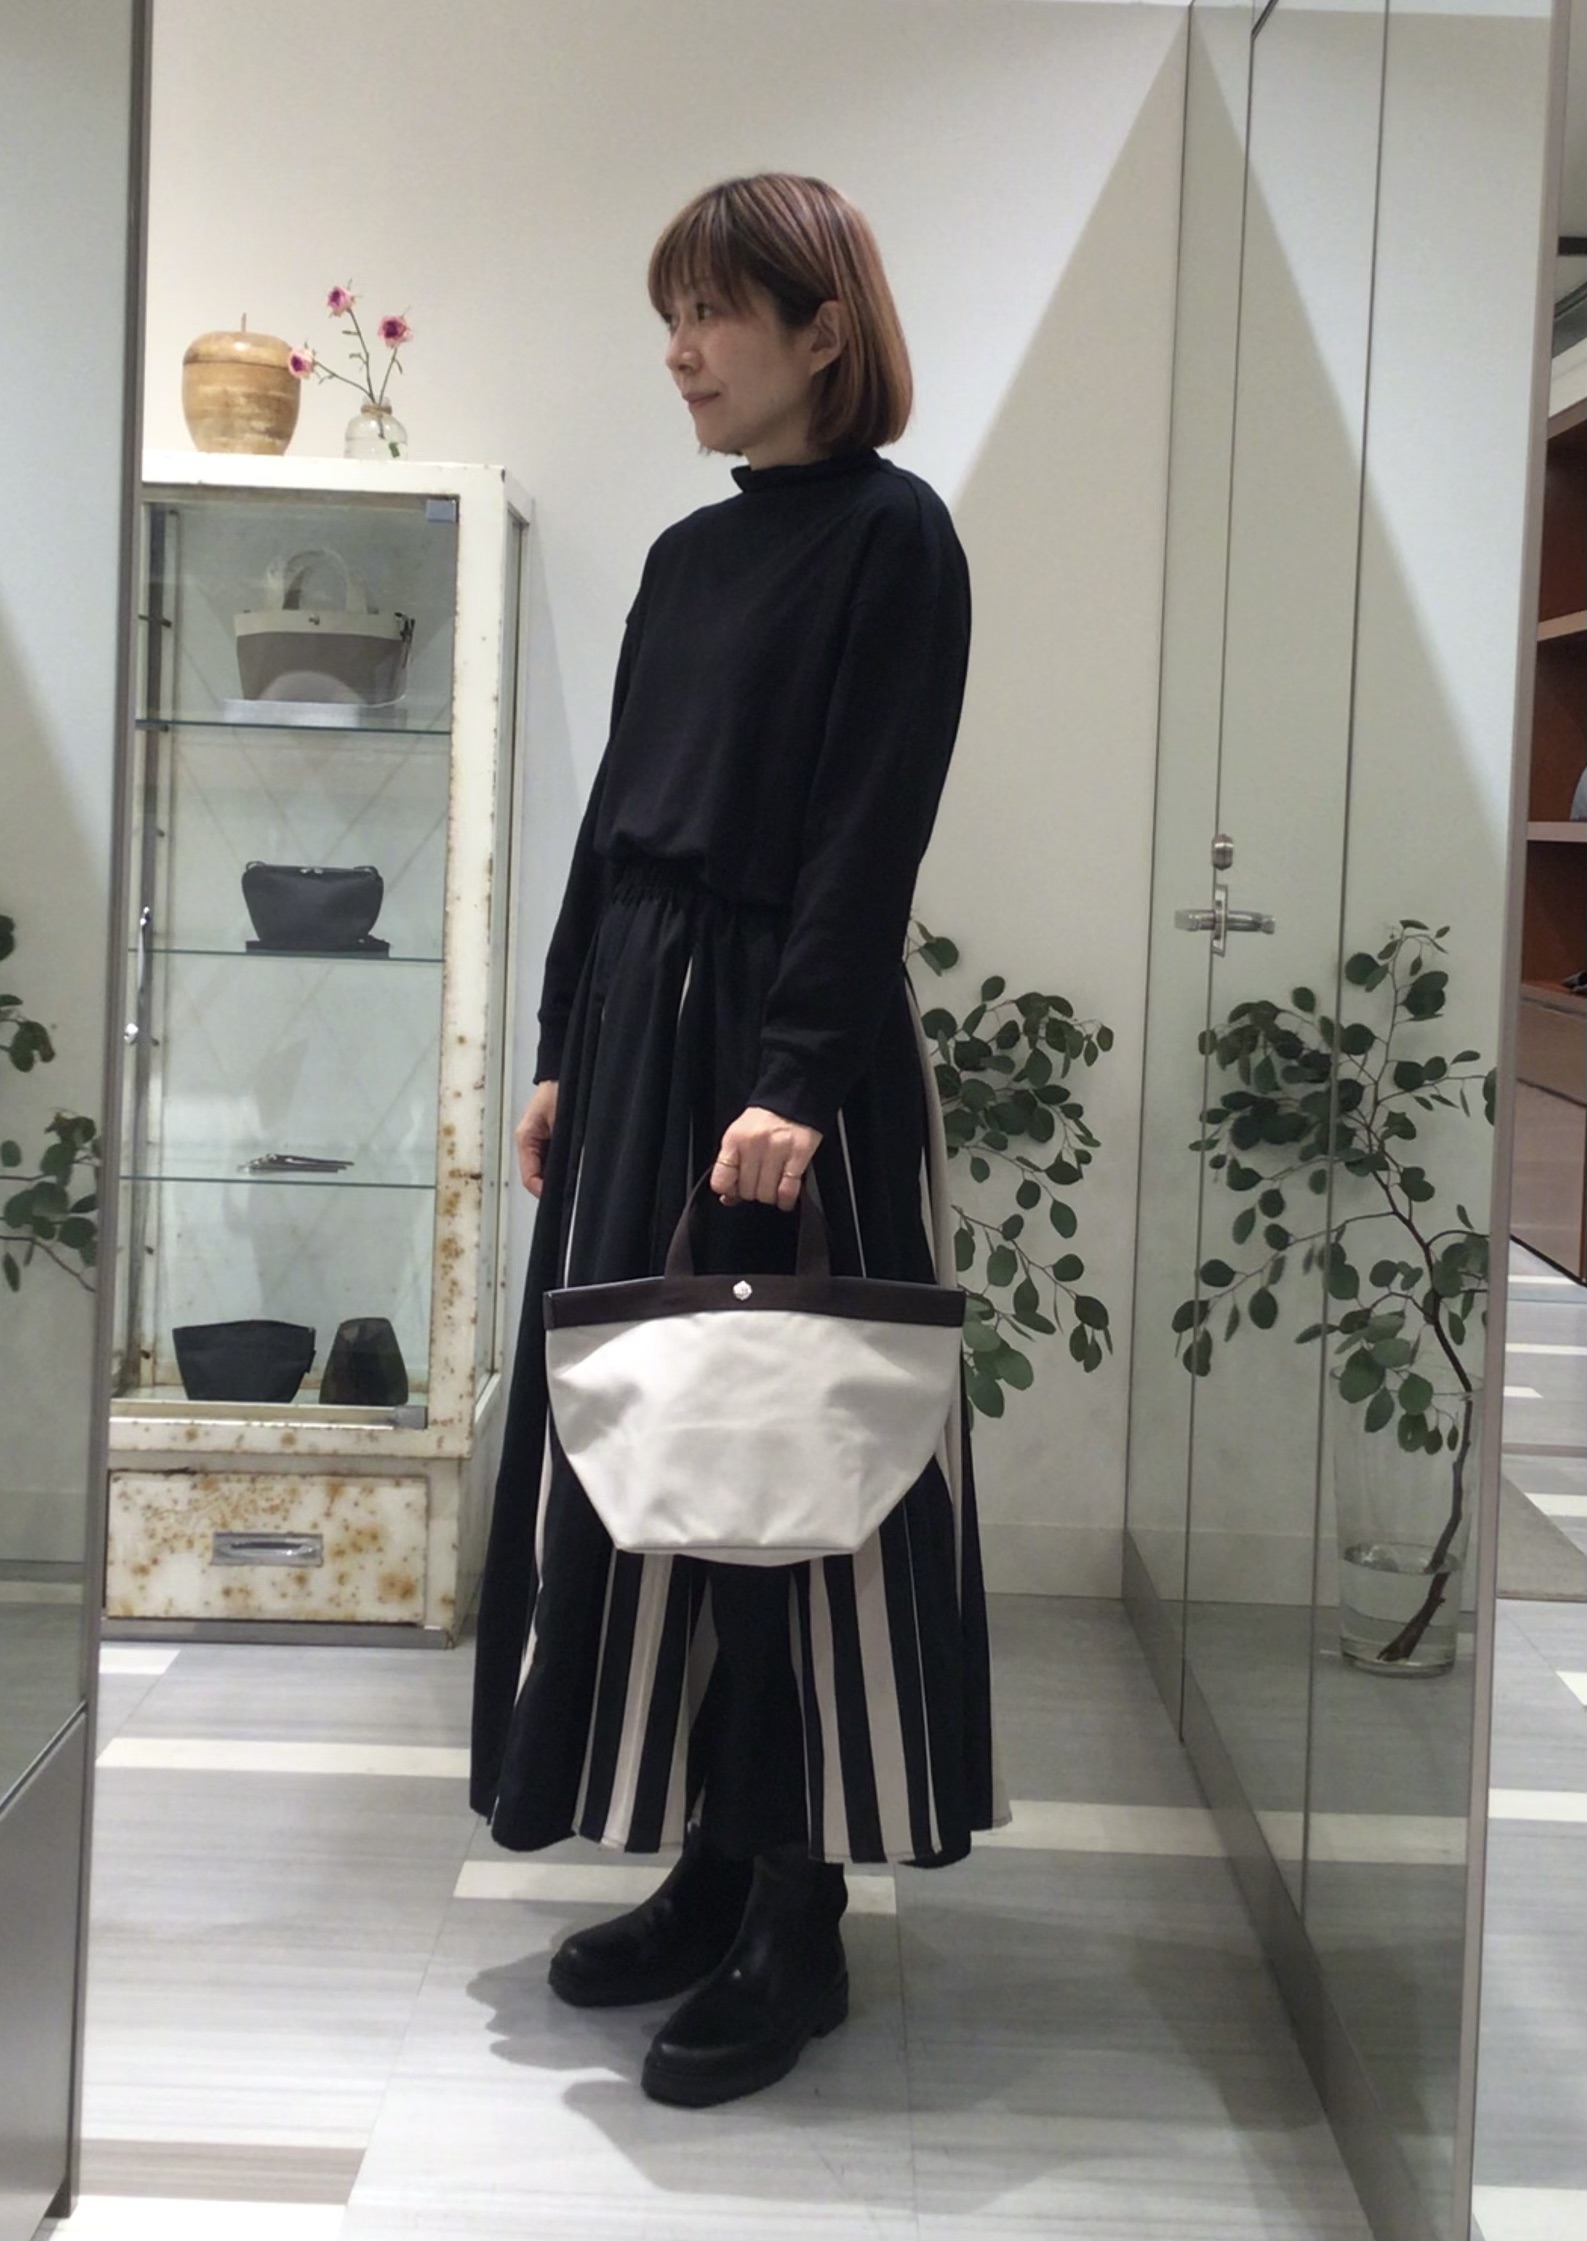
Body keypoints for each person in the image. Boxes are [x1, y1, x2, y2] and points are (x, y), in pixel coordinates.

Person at [470, 171, 1001, 2110]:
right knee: (649, 1448)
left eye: (711, 314)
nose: (681, 353)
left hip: (784, 1057)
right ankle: (706, 1856)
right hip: (640, 1035)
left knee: (790, 1460)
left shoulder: (894, 538)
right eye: (670, 318)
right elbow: (617, 812)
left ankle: (796, 1903)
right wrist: (561, 1040)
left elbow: (871, 829)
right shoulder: (690, 556)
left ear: (819, 330)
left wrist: (792, 1073)